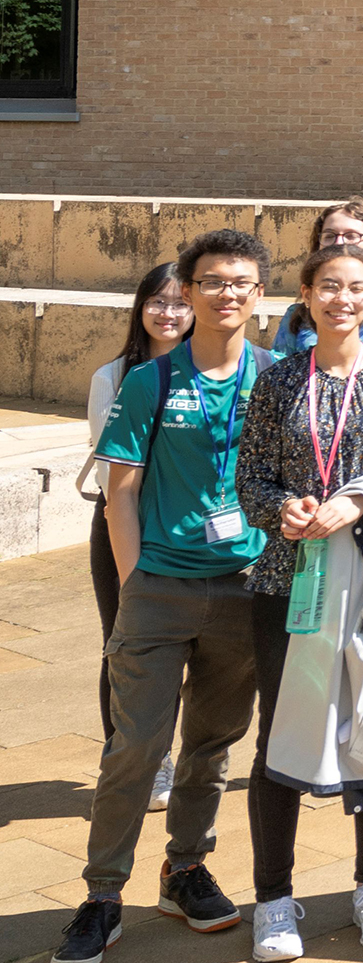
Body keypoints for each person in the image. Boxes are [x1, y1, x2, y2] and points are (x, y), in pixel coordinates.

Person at [54, 233, 270, 963]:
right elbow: (119, 492)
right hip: (159, 589)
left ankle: (185, 870)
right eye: (210, 281)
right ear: (191, 289)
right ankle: (102, 895)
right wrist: (137, 579)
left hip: (242, 591)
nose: (224, 294)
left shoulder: (273, 380)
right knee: (136, 747)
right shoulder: (149, 381)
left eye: (239, 282)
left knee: (212, 746)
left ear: (259, 296)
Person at [233, 239, 363, 963]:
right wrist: (282, 508)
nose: (342, 299)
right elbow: (250, 476)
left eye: (356, 288)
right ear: (306, 293)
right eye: (328, 286)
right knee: (280, 736)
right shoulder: (279, 378)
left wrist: (356, 500)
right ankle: (273, 898)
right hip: (287, 583)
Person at [77, 262, 191, 763]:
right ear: (139, 307)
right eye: (157, 302)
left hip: (188, 529)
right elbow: (110, 476)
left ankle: (165, 755)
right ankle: (126, 759)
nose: (168, 313)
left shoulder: (211, 372)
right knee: (123, 645)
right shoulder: (114, 375)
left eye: (180, 302)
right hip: (124, 525)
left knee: (189, 649)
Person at [268, 201, 363, 358]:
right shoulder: (296, 315)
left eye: (351, 236)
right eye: (329, 236)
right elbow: (277, 366)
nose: (339, 242)